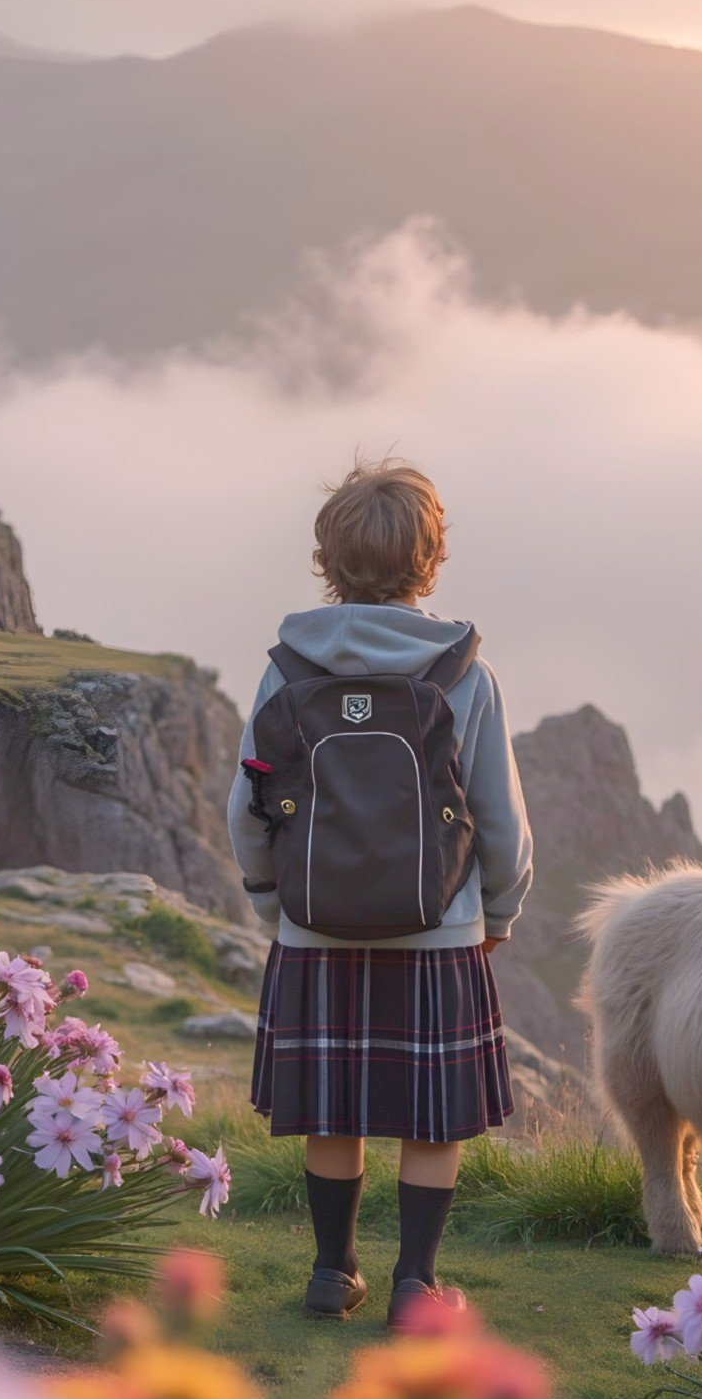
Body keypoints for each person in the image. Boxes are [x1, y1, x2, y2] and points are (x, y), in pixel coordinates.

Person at [227, 460, 532, 1326]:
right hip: (438, 931)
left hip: (314, 929)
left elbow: (246, 809)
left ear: (328, 557)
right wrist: (497, 913)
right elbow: (498, 818)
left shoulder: (287, 668)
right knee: (428, 1121)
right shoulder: (464, 670)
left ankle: (333, 1274)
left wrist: (272, 905)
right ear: (429, 557)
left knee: (337, 1109)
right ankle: (416, 1289)